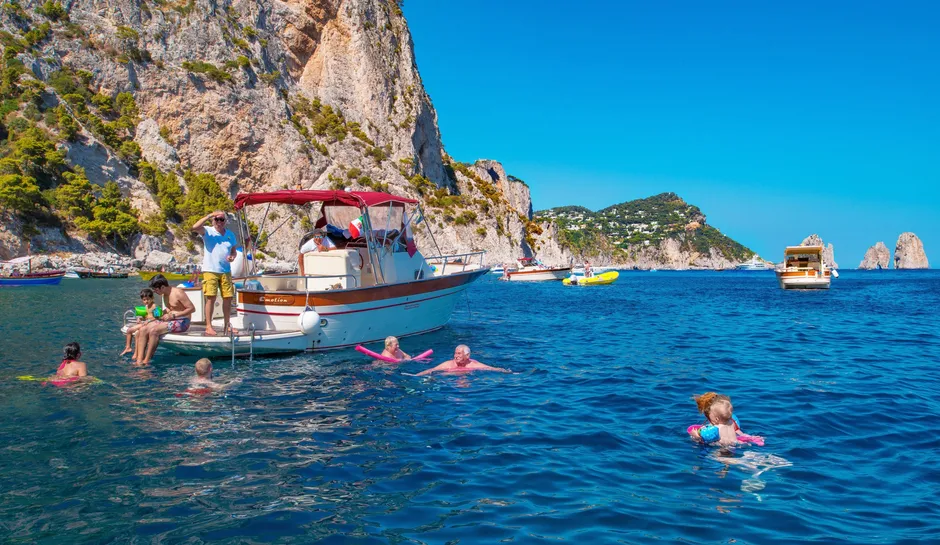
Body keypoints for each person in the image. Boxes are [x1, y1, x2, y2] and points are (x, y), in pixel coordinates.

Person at [192, 210, 238, 336]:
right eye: (216, 219)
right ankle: (208, 326)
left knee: (228, 298)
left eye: (221, 219)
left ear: (225, 221)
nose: (219, 222)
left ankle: (227, 325)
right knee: (211, 298)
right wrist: (209, 215)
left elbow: (234, 251)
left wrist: (232, 257)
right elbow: (195, 227)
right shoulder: (208, 231)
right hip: (210, 270)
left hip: (225, 270)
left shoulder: (230, 235)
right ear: (213, 220)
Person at [133, 275, 197, 365]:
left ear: (162, 287)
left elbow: (192, 309)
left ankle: (146, 361)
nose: (154, 292)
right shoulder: (164, 295)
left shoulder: (178, 293)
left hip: (182, 321)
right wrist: (154, 315)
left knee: (154, 331)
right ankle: (139, 360)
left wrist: (174, 315)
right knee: (143, 329)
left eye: (156, 289)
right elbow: (169, 308)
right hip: (170, 319)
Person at [416, 345, 510, 376]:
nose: (456, 356)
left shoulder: (473, 365)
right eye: (455, 353)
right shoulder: (448, 364)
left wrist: (506, 371)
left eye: (459, 354)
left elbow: (490, 368)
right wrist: (415, 375)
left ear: (467, 355)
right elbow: (431, 370)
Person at [121, 288, 159, 356]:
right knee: (133, 332)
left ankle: (132, 350)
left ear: (152, 298)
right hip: (145, 323)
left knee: (132, 331)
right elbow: (146, 316)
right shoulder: (146, 306)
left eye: (148, 299)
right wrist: (140, 318)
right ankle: (129, 348)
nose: (146, 301)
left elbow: (157, 317)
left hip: (150, 324)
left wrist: (149, 320)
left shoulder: (154, 306)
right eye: (144, 300)